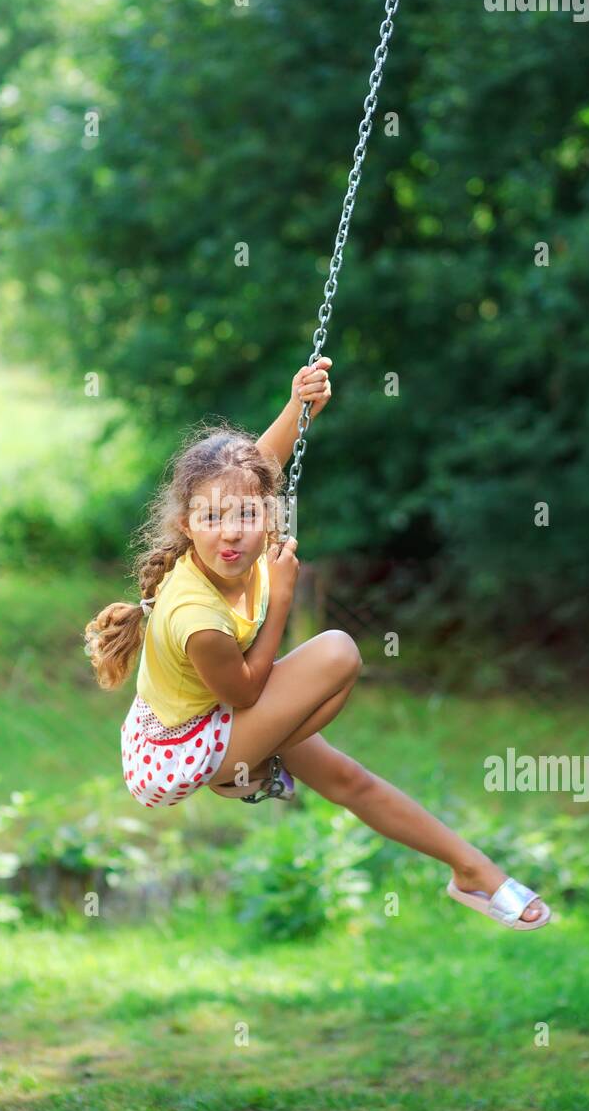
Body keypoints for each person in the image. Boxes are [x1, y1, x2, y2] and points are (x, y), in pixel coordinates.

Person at [85, 357, 550, 930]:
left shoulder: (239, 524)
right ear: (187, 524)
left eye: (247, 513)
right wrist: (282, 597)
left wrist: (298, 405)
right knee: (337, 652)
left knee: (348, 780)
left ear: (267, 509)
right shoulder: (194, 615)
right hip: (185, 749)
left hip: (215, 713)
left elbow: (260, 464)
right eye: (213, 518)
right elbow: (249, 692)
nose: (232, 531)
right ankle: (248, 775)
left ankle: (473, 871)